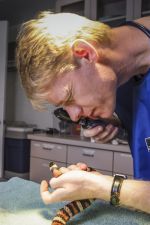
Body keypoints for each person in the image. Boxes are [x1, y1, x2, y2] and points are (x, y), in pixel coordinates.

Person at [16, 11, 150, 213]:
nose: (74, 117)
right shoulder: (118, 76)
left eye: (70, 97)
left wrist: (101, 187)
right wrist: (119, 121)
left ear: (85, 53)